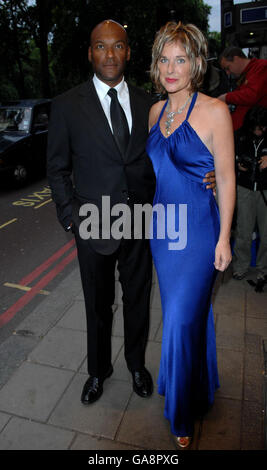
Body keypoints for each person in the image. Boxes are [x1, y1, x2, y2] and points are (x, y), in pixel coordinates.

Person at [47, 19, 216, 408]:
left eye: (118, 46)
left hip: (143, 222)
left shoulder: (151, 105)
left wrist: (205, 172)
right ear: (90, 53)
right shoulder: (67, 105)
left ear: (129, 51)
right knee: (97, 304)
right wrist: (71, 216)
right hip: (92, 224)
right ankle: (97, 371)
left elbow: (175, 149)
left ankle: (137, 365)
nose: (110, 54)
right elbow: (56, 169)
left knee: (139, 299)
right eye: (101, 46)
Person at [147, 21, 235, 448]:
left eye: (180, 59)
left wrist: (224, 239)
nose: (171, 68)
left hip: (200, 232)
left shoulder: (216, 112)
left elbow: (227, 178)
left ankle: (182, 413)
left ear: (197, 63)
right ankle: (200, 382)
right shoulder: (154, 112)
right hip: (163, 233)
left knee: (180, 320)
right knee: (187, 317)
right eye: (164, 58)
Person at [232, 106, 267, 285]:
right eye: (256, 127)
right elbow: (229, 156)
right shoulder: (240, 135)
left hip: (264, 189)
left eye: (262, 127)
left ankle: (264, 269)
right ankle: (240, 267)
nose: (259, 131)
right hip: (244, 188)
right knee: (244, 231)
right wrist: (238, 163)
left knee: (266, 233)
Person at [218, 47, 267, 131]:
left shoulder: (262, 67)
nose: (228, 72)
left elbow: (252, 95)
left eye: (228, 68)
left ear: (236, 59)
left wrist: (226, 97)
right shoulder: (245, 75)